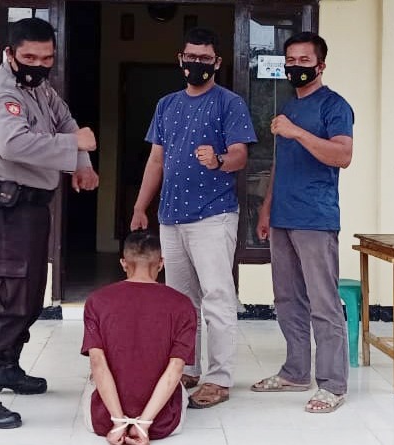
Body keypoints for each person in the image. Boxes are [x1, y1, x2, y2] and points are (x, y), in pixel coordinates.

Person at [0, 17, 99, 429]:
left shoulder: (39, 89)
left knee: (30, 296)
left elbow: (67, 122)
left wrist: (81, 163)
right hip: (5, 209)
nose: (39, 64)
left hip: (31, 207)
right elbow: (14, 144)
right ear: (10, 54)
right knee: (8, 299)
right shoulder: (3, 94)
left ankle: (5, 367)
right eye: (30, 57)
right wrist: (74, 145)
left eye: (46, 58)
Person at [130, 27, 257, 409]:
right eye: (191, 57)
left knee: (217, 297)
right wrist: (140, 207)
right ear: (180, 59)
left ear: (217, 62)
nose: (196, 63)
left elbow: (241, 155)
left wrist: (218, 160)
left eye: (204, 58)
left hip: (213, 216)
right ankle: (186, 368)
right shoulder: (166, 105)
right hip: (171, 217)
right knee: (180, 300)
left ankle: (218, 379)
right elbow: (156, 160)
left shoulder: (229, 103)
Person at [252, 32, 354, 414]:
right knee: (287, 298)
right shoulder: (288, 107)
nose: (296, 67)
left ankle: (332, 384)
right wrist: (266, 208)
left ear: (321, 65)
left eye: (304, 61)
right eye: (290, 61)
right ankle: (296, 372)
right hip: (282, 216)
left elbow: (342, 155)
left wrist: (297, 132)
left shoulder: (335, 106)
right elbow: (281, 163)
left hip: (315, 217)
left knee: (323, 303)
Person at [81, 231, 196, 445]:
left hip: (104, 420)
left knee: (93, 372)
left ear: (123, 263)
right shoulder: (182, 305)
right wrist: (143, 424)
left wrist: (118, 422)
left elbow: (97, 363)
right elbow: (176, 368)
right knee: (177, 377)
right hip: (164, 422)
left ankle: (120, 418)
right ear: (161, 264)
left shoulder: (97, 301)